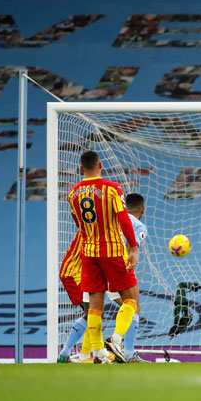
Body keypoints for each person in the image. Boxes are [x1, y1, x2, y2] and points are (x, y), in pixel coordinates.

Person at [67, 150, 139, 364]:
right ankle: (115, 340)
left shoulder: (72, 193)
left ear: (81, 168)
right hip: (113, 250)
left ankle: (98, 351)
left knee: (95, 304)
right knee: (131, 300)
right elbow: (123, 219)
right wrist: (133, 247)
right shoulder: (112, 188)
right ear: (100, 165)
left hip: (89, 252)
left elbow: (79, 224)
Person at [106, 193, 149, 363]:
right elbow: (132, 246)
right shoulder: (138, 226)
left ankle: (95, 352)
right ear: (142, 210)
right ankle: (126, 351)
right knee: (133, 305)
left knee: (93, 310)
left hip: (97, 264)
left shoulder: (111, 219)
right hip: (118, 266)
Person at [56, 230, 89, 363]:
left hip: (79, 271)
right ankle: (85, 355)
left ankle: (66, 354)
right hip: (73, 272)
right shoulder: (91, 225)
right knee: (93, 312)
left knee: (93, 313)